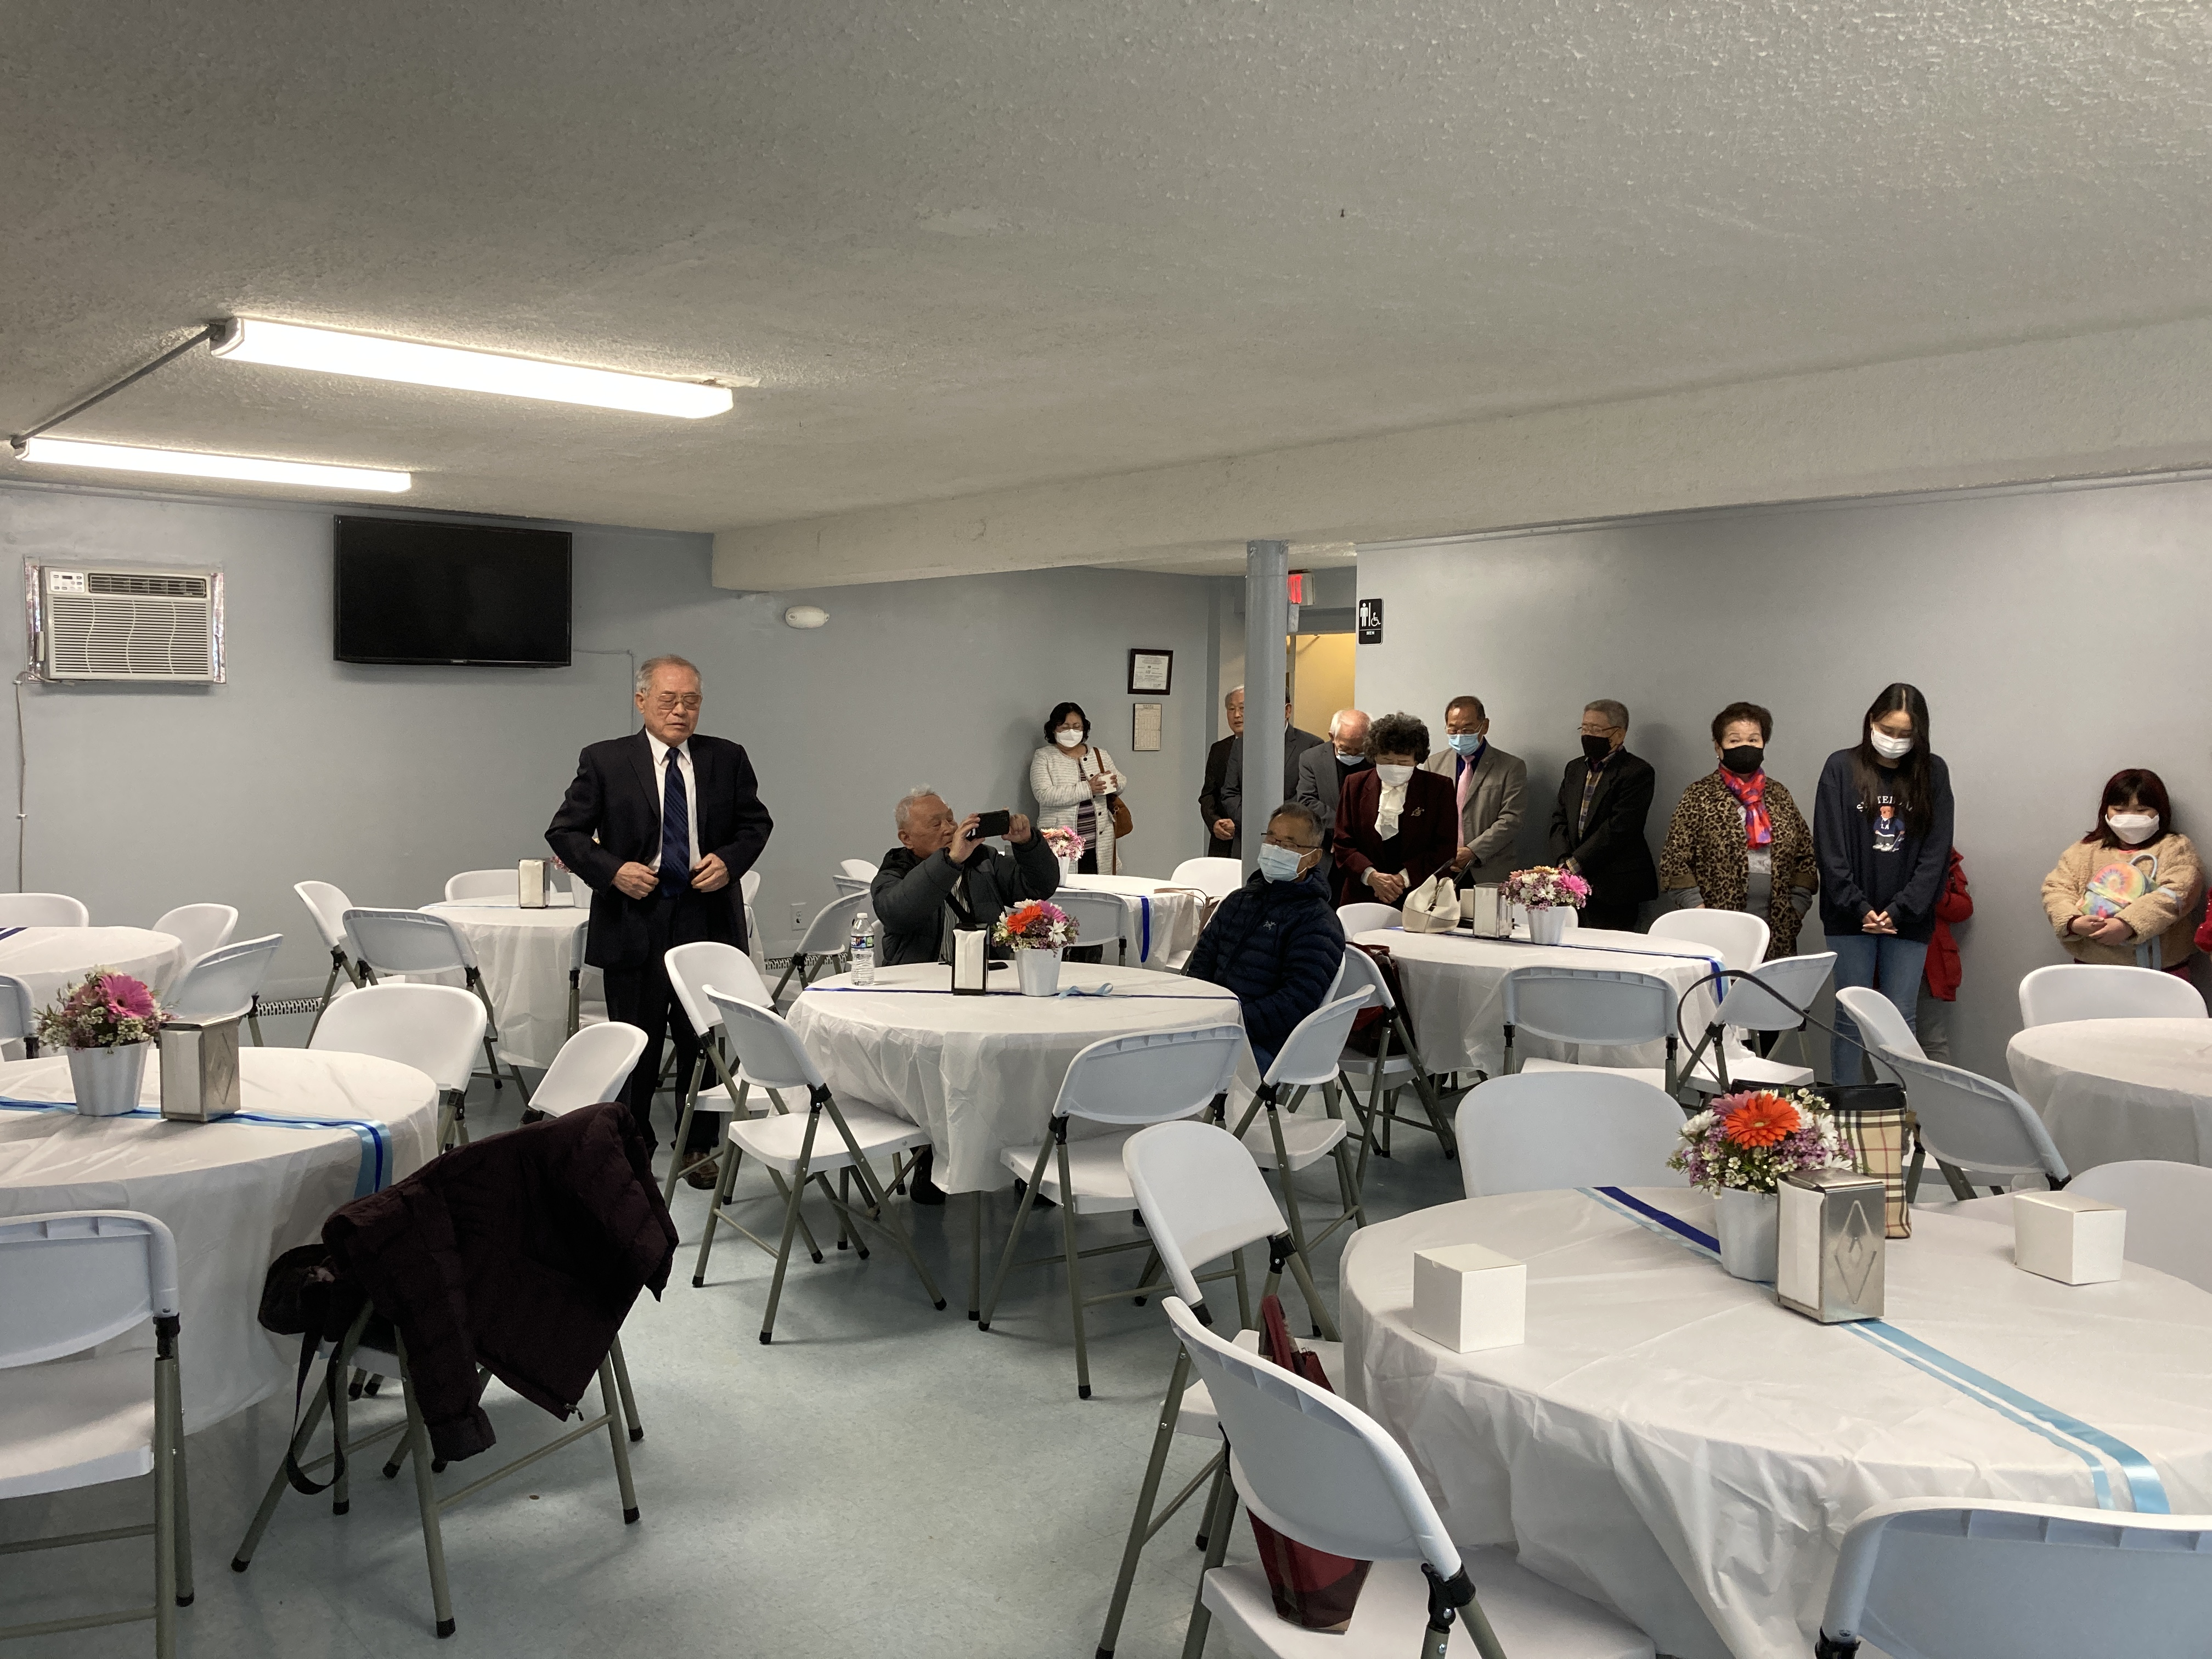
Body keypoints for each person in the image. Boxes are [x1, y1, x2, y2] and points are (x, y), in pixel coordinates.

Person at [546, 653, 772, 1188]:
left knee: (702, 1039)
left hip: (705, 912)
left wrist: (730, 861)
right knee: (637, 1040)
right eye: (669, 699)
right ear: (641, 700)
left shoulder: (726, 758)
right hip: (634, 914)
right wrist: (613, 870)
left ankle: (698, 1146)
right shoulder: (605, 760)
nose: (680, 711)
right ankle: (633, 1143)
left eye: (691, 701)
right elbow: (565, 832)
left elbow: (755, 824)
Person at [872, 788, 1060, 1206]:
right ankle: (929, 1156)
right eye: (935, 823)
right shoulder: (896, 868)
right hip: (922, 995)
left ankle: (1028, 1166)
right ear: (907, 838)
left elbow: (1040, 886)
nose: (949, 827)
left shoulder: (985, 861)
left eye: (950, 818)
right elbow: (898, 910)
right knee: (932, 1074)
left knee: (1017, 1064)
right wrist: (950, 861)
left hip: (988, 987)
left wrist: (1028, 845)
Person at [1814, 682, 1955, 1080]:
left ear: (1919, 734)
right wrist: (1859, 906)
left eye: (1905, 733)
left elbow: (1936, 852)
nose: (1894, 740)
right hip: (1849, 917)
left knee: (1900, 1017)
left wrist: (1900, 909)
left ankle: (1901, 1106)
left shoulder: (1933, 772)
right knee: (1849, 1017)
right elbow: (1829, 846)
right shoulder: (1841, 767)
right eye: (1887, 730)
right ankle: (1845, 1106)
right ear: (1871, 722)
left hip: (1909, 919)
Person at [1183, 802, 1345, 1069]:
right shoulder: (1239, 901)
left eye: (1289, 845)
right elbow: (1202, 962)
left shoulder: (1318, 921)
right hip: (1214, 1026)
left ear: (1313, 858)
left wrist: (1229, 1021)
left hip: (1264, 1044)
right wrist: (1196, 1012)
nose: (1276, 849)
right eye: (1271, 839)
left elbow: (1296, 1003)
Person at [1656, 701, 1818, 959]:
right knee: (1722, 985)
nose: (1746, 746)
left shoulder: (1779, 794)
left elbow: (1805, 856)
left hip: (1776, 928)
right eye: (1735, 740)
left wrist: (1796, 908)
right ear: (1718, 747)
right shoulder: (1699, 795)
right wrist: (1698, 912)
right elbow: (1675, 861)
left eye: (1754, 740)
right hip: (1714, 927)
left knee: (1768, 986)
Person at [2040, 769, 2202, 972]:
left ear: (2160, 811)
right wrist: (2073, 921)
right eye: (2119, 809)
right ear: (2106, 811)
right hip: (2092, 968)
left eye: (2141, 810)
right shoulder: (2084, 852)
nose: (2130, 818)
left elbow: (2177, 894)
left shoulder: (2176, 848)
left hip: (2161, 970)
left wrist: (2128, 924)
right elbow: (2056, 889)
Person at [1546, 699, 1658, 931]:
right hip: (1570, 882)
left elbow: (1620, 828)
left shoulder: (1638, 772)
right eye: (1585, 728)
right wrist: (1563, 861)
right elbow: (1559, 818)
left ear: (1619, 734)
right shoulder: (1575, 768)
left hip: (1615, 887)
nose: (1588, 735)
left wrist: (1575, 864)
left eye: (1596, 730)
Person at [1333, 712, 1456, 907]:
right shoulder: (1355, 784)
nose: (1395, 766)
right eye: (1387, 760)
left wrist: (1402, 879)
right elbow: (1342, 842)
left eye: (1403, 762)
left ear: (1417, 759)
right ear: (1374, 756)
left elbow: (1444, 849)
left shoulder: (1438, 788)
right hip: (1362, 896)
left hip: (1420, 896)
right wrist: (1372, 876)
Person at [1197, 685, 1325, 858]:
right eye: (1232, 709)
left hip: (1289, 841)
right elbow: (1228, 792)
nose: (1238, 715)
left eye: (1244, 708)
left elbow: (1307, 796)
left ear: (1287, 711)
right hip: (1242, 840)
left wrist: (1274, 825)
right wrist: (1247, 821)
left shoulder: (1311, 745)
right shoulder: (1238, 745)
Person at [1420, 695, 1527, 888]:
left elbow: (1511, 820)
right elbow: (1425, 816)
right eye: (1453, 729)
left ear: (1484, 726)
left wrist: (1472, 851)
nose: (1460, 735)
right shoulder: (1433, 764)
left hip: (1489, 869)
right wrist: (1443, 853)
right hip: (1441, 869)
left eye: (1467, 729)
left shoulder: (1511, 767)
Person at [1029, 701, 1126, 875]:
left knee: (1100, 887)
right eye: (1065, 727)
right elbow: (1044, 794)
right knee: (1062, 884)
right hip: (1061, 838)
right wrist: (1088, 788)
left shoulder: (1099, 754)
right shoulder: (1044, 757)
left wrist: (1114, 782)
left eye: (1077, 727)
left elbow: (1121, 782)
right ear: (1054, 729)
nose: (1072, 732)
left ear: (1084, 728)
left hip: (1100, 841)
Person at [1294, 708, 1370, 883]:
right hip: (1327, 850)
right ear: (1332, 737)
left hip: (1366, 853)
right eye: (1345, 748)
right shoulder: (1312, 758)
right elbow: (1307, 800)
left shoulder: (1377, 759)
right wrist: (1343, 830)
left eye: (1359, 750)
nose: (1352, 754)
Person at [1917, 848, 1972, 1061]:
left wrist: (1932, 893)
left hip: (1929, 963)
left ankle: (1938, 1087)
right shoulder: (1875, 845)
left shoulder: (1939, 852)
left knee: (1931, 1040)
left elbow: (1963, 909)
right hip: (1878, 955)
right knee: (1878, 1040)